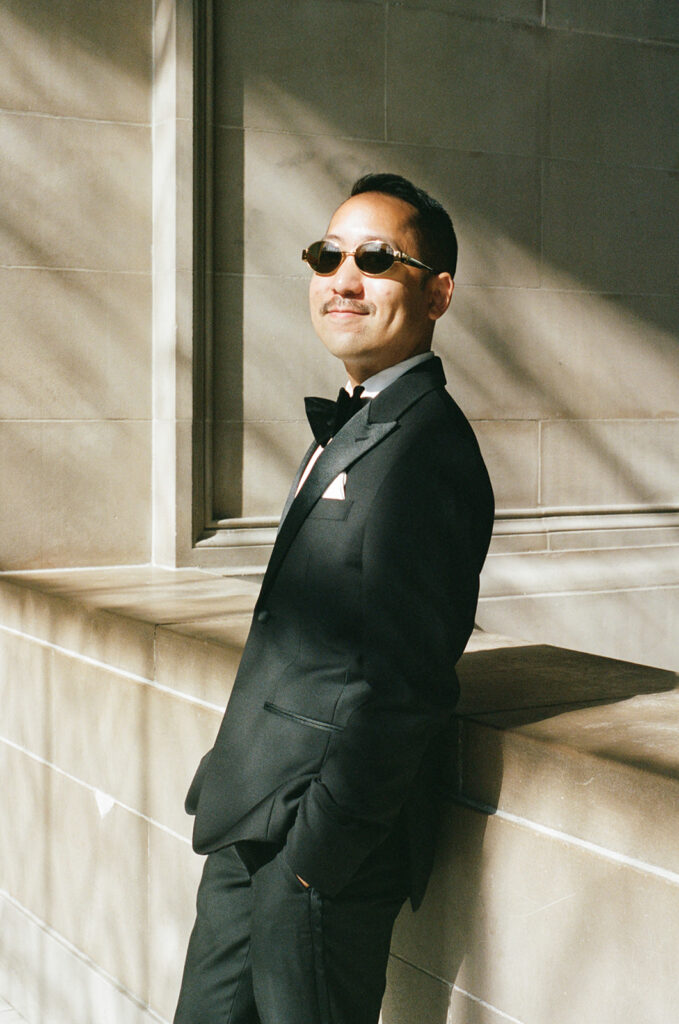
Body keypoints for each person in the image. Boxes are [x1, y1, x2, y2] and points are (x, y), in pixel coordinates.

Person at [173, 172, 494, 1024]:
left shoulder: (426, 448)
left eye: (377, 259)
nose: (342, 278)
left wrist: (311, 861)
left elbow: (407, 683)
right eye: (329, 254)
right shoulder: (358, 421)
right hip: (251, 820)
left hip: (315, 857)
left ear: (438, 293)